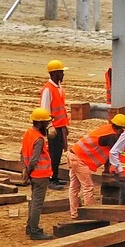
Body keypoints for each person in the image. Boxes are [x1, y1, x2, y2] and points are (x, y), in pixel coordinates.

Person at [66, 113, 125, 219]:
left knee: (74, 187)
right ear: (120, 129)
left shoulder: (107, 130)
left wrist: (107, 169)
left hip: (73, 154)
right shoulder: (112, 137)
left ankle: (74, 213)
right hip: (80, 159)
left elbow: (108, 153)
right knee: (88, 187)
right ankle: (91, 215)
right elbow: (113, 153)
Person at [20, 107, 55, 241]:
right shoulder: (39, 138)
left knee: (33, 201)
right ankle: (34, 231)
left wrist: (25, 170)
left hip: (34, 175)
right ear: (40, 123)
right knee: (37, 203)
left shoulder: (28, 133)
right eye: (46, 123)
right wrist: (29, 171)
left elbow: (22, 153)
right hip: (40, 175)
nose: (47, 125)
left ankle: (30, 227)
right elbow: (34, 159)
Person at [39, 60, 70, 188]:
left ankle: (55, 176)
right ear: (55, 73)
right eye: (61, 72)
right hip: (53, 128)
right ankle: (52, 179)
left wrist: (64, 126)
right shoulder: (48, 90)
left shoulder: (58, 87)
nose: (63, 75)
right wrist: (49, 126)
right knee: (54, 153)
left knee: (58, 153)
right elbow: (44, 110)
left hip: (60, 126)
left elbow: (60, 108)